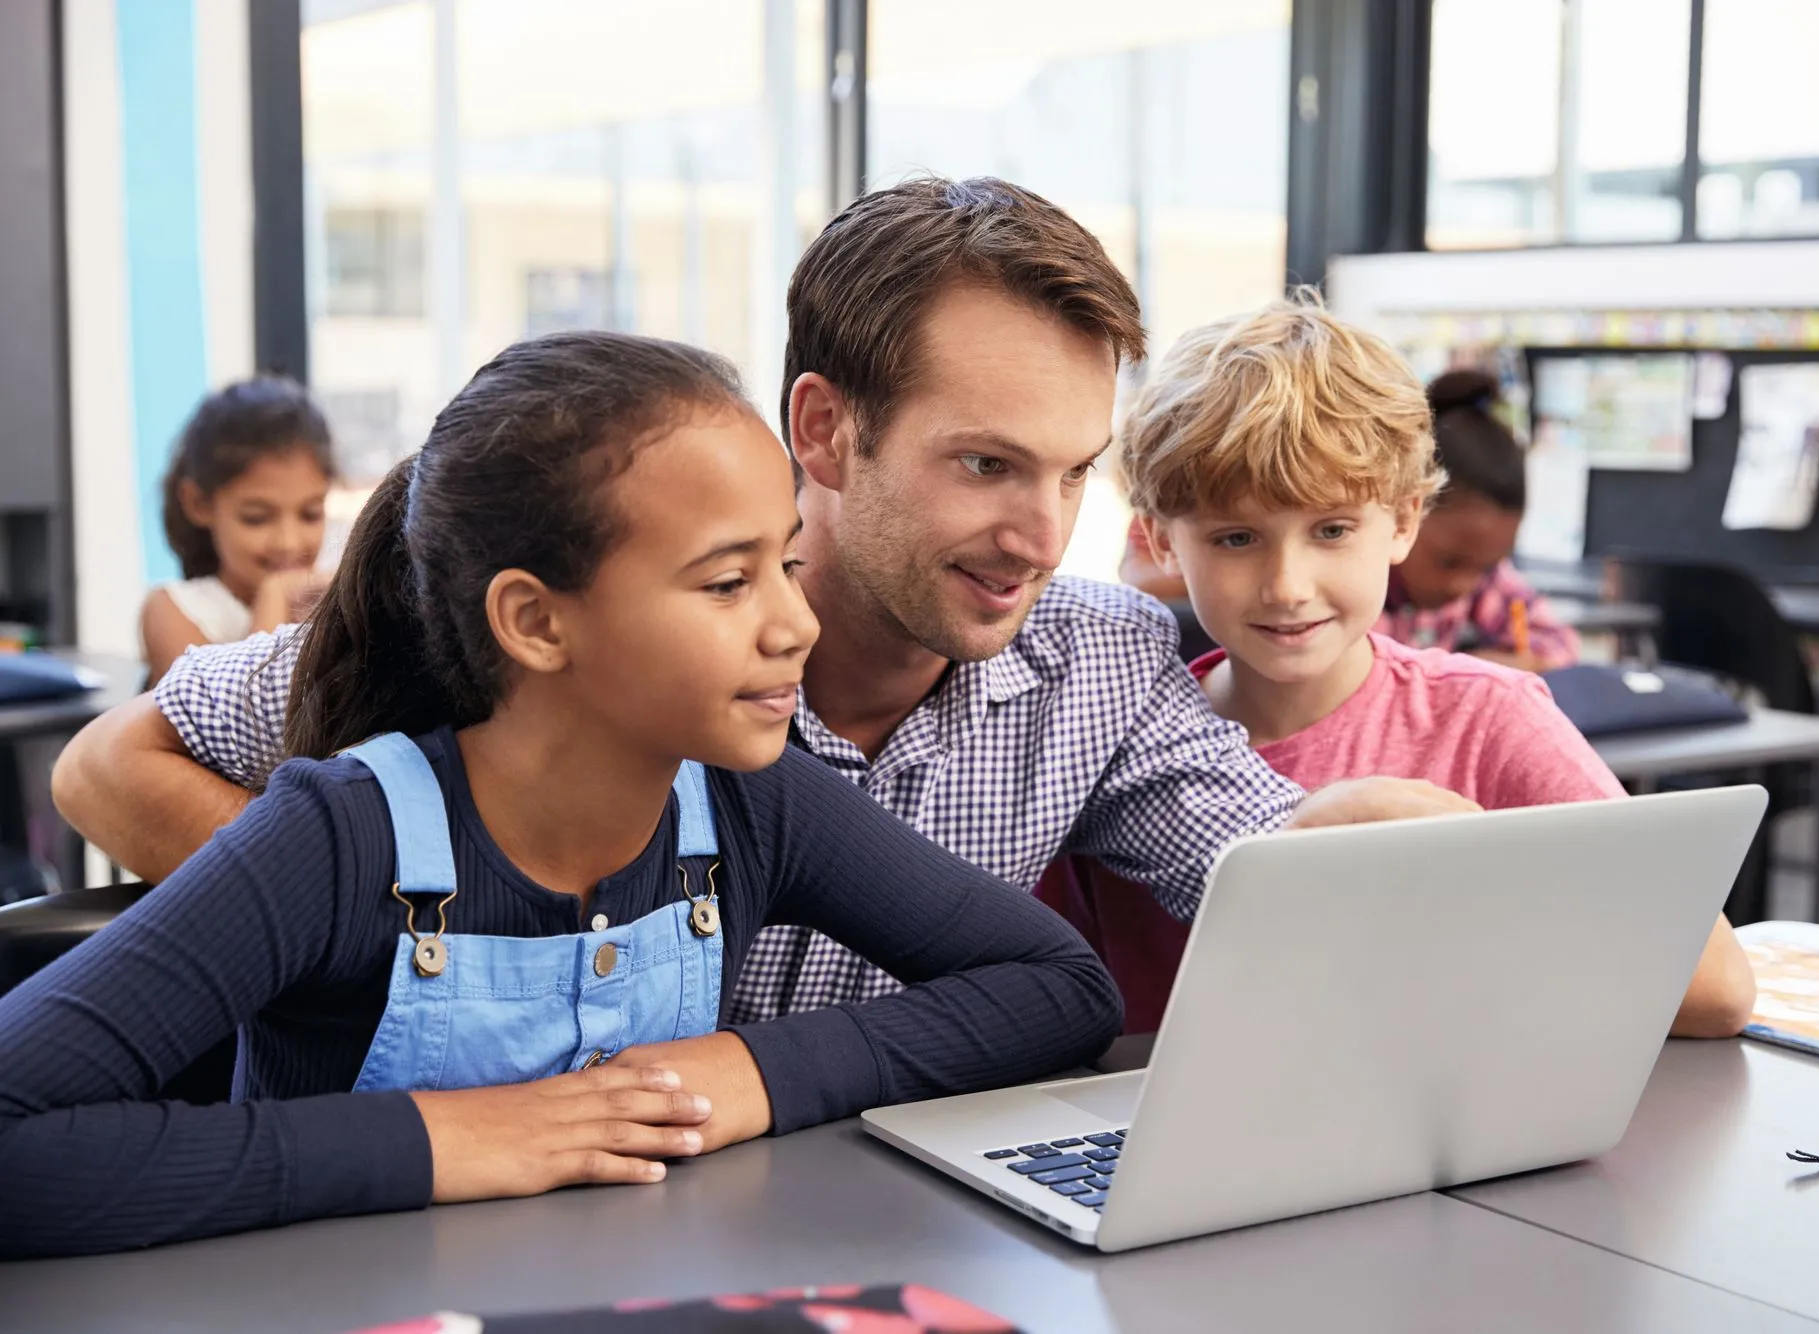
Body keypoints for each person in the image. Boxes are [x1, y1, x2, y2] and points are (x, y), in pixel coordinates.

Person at [52, 177, 1474, 1026]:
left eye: (1073, 472)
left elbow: (1256, 852)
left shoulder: (1101, 661)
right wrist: (364, 937)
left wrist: (1396, 840)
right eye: (985, 463)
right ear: (827, 431)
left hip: (829, 1203)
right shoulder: (615, 624)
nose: (1041, 535)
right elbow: (110, 762)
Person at [0, 332, 1121, 1259]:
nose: (795, 623)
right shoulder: (338, 838)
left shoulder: (752, 801)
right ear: (535, 620)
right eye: (728, 582)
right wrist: (446, 1138)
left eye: (783, 563)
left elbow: (1058, 987)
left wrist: (747, 1071)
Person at [1039, 295, 1755, 1038]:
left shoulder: (1487, 719)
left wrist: (1482, 890)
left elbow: (1717, 990)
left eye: (1332, 530)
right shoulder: (1114, 738)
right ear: (1160, 543)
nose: (1288, 585)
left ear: (1405, 521)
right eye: (1235, 540)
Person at [1377, 369, 1579, 672]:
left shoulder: (1483, 583)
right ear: (1402, 514)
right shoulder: (1358, 592)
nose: (1463, 585)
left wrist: (1494, 667)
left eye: (1485, 567)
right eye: (1449, 562)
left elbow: (1559, 642)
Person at [142, 377, 335, 684]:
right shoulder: (174, 611)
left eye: (310, 514)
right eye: (257, 518)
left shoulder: (330, 601)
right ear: (198, 504)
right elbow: (244, 723)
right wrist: (274, 599)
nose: (289, 542)